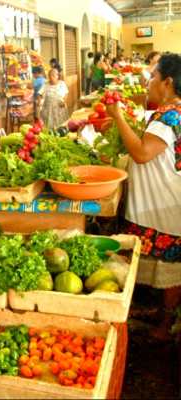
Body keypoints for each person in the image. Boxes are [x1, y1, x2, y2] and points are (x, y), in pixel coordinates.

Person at [106, 53, 181, 339]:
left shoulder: (169, 115)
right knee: (168, 265)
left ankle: (165, 326)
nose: (148, 83)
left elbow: (141, 153)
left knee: (170, 268)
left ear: (168, 82)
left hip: (162, 202)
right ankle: (163, 318)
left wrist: (118, 117)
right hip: (165, 197)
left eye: (153, 77)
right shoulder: (174, 111)